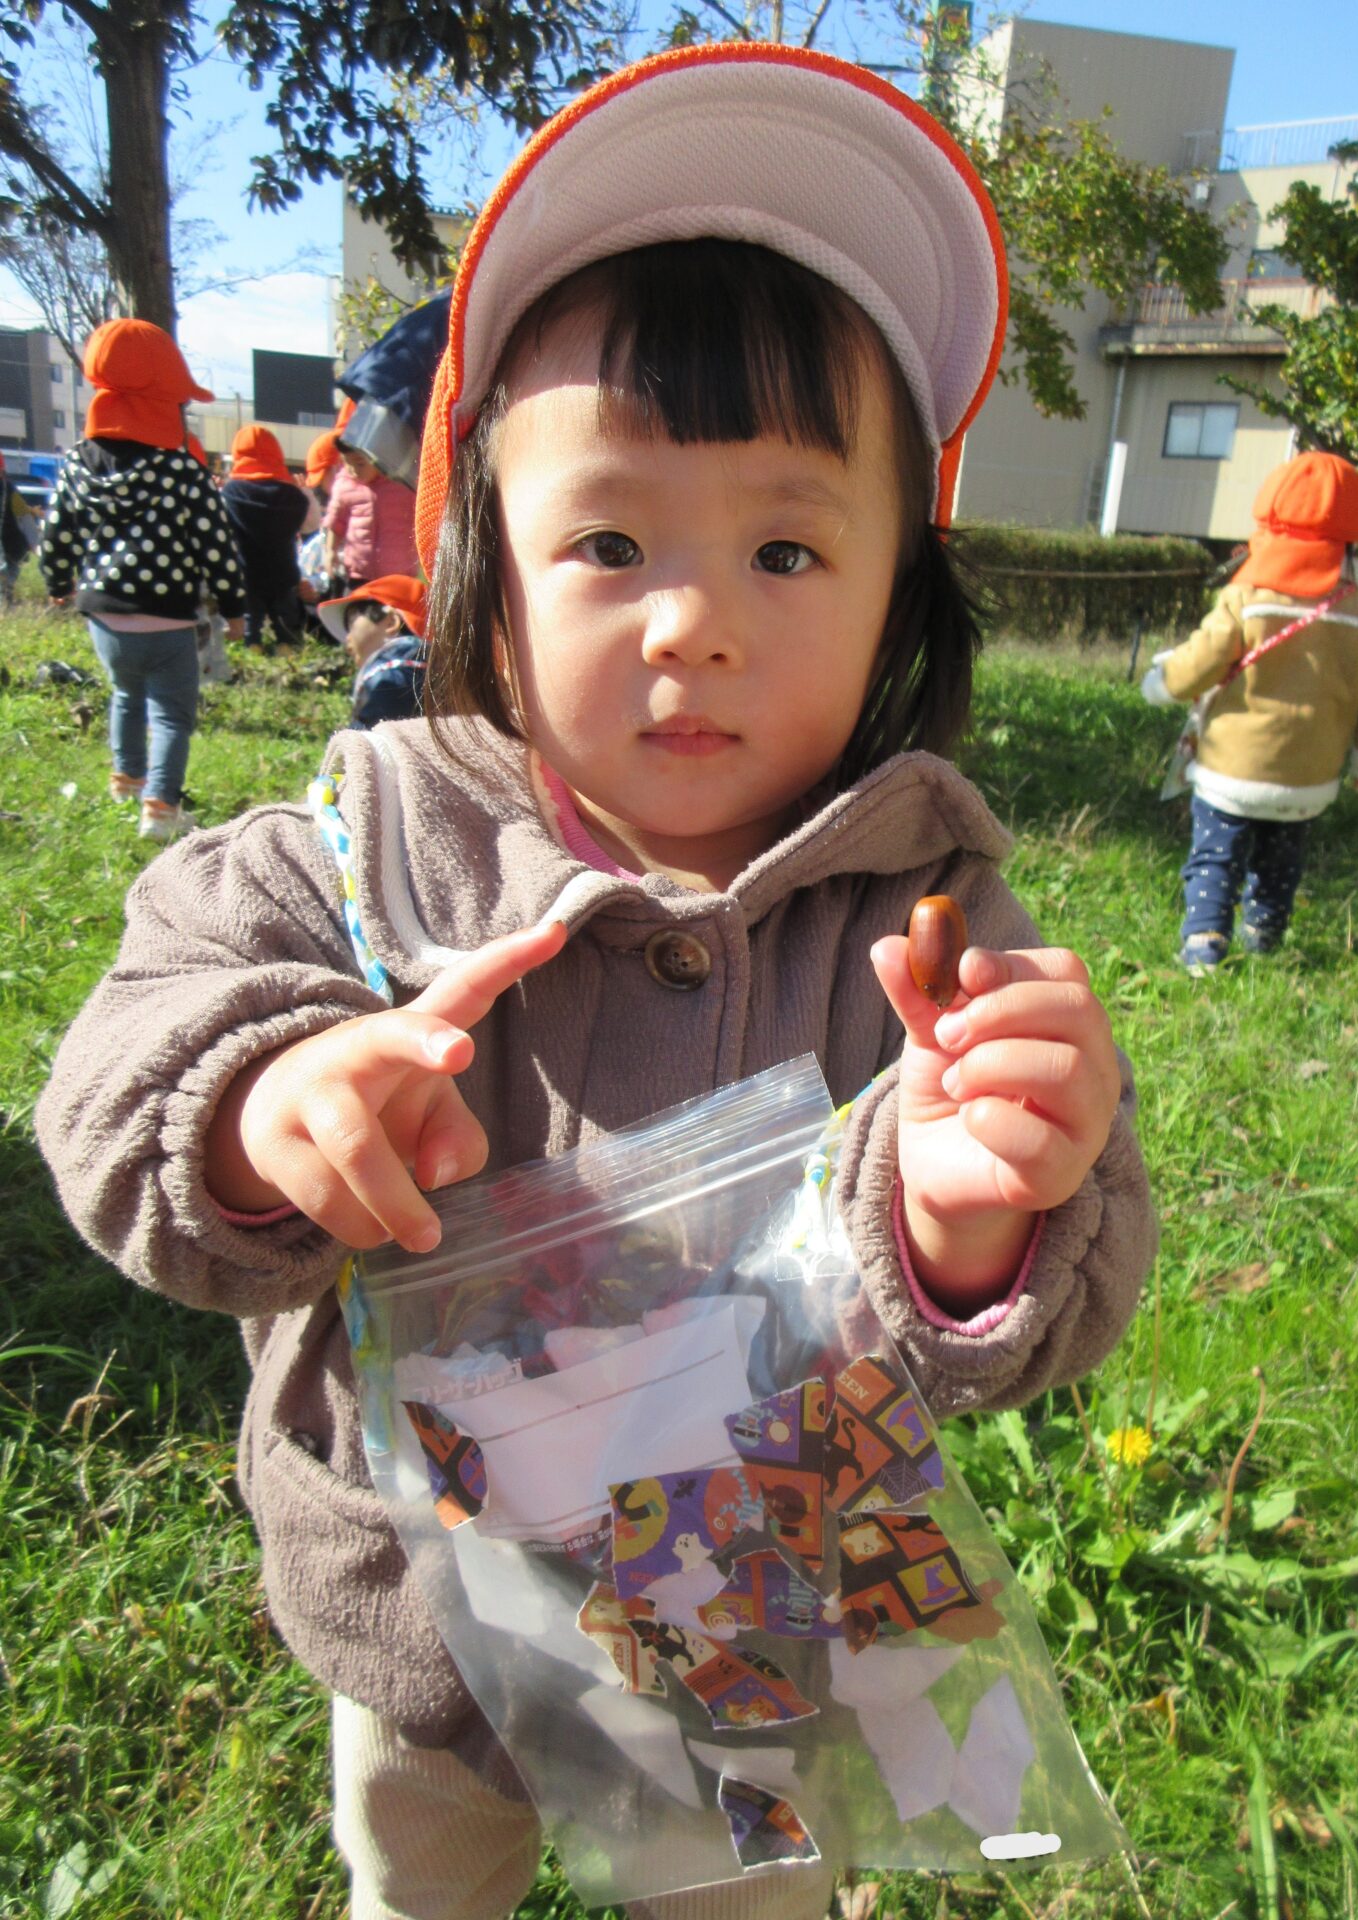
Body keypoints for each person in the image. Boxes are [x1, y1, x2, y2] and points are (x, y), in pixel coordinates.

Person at [36, 48, 1156, 1919]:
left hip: (749, 1611)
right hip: (426, 1617)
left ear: (901, 591)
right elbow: (120, 1067)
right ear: (484, 564)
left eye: (786, 546)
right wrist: (260, 1110)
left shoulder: (921, 920)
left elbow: (1045, 1292)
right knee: (423, 1873)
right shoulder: (363, 845)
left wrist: (968, 1217)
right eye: (611, 542)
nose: (692, 619)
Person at [1143, 450, 1358, 971]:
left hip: (1230, 769)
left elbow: (1199, 663)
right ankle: (1264, 934)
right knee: (1281, 860)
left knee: (1216, 855)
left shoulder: (1246, 598)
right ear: (1351, 546)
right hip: (1308, 778)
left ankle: (1203, 942)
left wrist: (1162, 682)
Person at [35, 318, 246, 842]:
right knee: (171, 714)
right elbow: (216, 544)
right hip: (167, 616)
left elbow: (57, 531)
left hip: (105, 615)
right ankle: (160, 806)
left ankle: (126, 781)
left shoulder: (78, 464)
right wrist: (233, 607)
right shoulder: (182, 470)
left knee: (124, 694)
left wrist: (58, 581)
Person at [220, 424, 311, 654]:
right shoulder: (293, 496)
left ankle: (253, 646)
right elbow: (312, 524)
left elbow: (221, 528)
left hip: (247, 571)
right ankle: (286, 647)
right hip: (284, 570)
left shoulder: (231, 492)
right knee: (285, 617)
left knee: (251, 616)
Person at [318, 573, 428, 727]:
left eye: (351, 623)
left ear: (391, 622)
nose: (347, 638)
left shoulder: (390, 679)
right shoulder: (432, 671)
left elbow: (370, 737)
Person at [321, 440, 419, 595]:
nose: (353, 470)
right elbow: (336, 521)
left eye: (360, 464)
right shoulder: (345, 484)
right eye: (347, 463)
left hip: (398, 573)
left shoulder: (402, 483)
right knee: (359, 607)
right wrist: (330, 551)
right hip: (358, 572)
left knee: (395, 608)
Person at [0, 449, 34, 604]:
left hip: (11, 548)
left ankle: (5, 604)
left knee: (5, 584)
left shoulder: (10, 491)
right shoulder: (10, 489)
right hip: (11, 549)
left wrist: (34, 542)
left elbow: (25, 518)